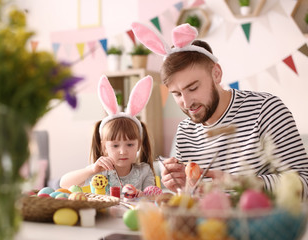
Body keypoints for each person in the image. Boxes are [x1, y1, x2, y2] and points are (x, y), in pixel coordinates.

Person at [131, 22, 308, 196]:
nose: (186, 102)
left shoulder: (266, 110)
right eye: (177, 94)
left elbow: (304, 183)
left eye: (193, 88)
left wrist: (241, 183)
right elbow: (193, 198)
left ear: (216, 74)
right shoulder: (185, 131)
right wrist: (183, 187)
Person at [60, 75, 156, 194]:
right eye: (115, 146)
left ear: (139, 144)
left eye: (130, 144)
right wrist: (91, 169)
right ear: (104, 147)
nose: (123, 151)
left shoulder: (144, 171)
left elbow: (151, 195)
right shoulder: (99, 171)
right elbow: (64, 183)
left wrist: (140, 194)